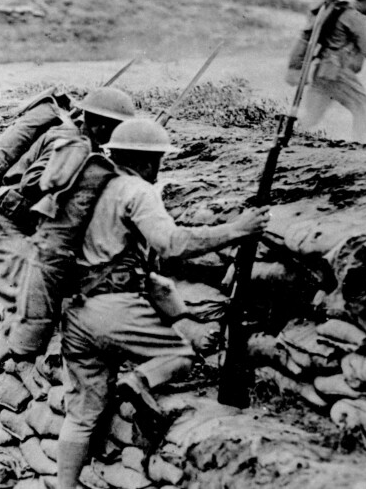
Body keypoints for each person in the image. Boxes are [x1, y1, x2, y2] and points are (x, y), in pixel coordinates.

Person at [56, 119, 270, 489]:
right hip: (113, 306)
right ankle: (135, 381)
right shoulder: (136, 190)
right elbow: (170, 242)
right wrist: (237, 229)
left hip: (74, 310)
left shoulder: (88, 187)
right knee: (182, 354)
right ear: (150, 161)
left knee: (81, 414)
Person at [0, 87, 136, 422]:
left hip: (18, 229)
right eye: (113, 127)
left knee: (26, 308)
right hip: (8, 227)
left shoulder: (74, 139)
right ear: (100, 124)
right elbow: (36, 185)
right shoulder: (72, 143)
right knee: (28, 306)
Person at [301, 0, 366, 143]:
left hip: (323, 71)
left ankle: (291, 139)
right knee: (360, 103)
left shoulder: (341, 11)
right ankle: (358, 145)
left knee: (312, 117)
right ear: (363, 0)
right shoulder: (354, 17)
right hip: (337, 72)